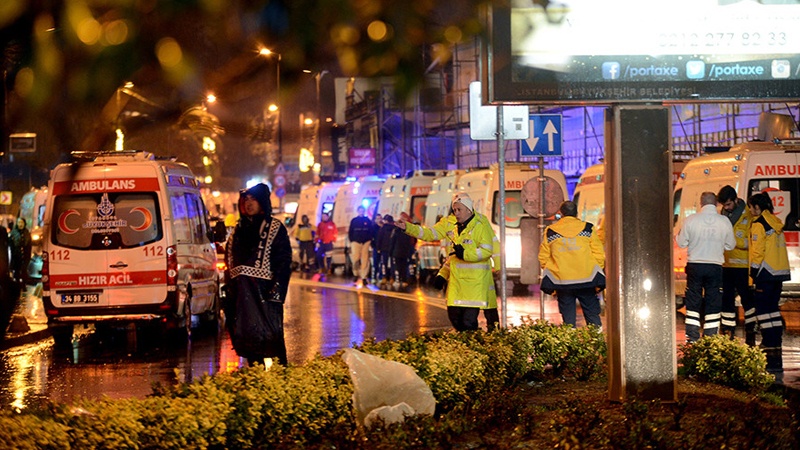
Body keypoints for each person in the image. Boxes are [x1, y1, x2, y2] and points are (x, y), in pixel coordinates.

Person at [395, 193, 497, 331]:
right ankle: (468, 343)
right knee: (454, 317)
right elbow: (430, 234)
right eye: (454, 210)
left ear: (469, 209)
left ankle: (472, 345)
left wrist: (466, 254)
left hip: (474, 284)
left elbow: (487, 250)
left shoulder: (480, 225)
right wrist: (408, 228)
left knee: (469, 322)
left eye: (459, 210)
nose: (456, 213)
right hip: (456, 284)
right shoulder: (450, 224)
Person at [224, 183, 292, 366]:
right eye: (246, 200)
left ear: (262, 202)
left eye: (253, 199)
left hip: (265, 295)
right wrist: (229, 292)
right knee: (249, 343)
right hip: (242, 297)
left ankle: (283, 383)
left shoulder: (275, 227)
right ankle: (257, 381)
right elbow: (228, 263)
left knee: (272, 341)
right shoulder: (237, 231)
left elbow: (283, 261)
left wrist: (276, 291)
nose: (249, 204)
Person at [675, 192, 735, 343]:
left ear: (701, 203)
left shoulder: (691, 220)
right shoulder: (724, 221)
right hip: (715, 266)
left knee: (694, 298)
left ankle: (693, 335)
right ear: (716, 204)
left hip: (695, 265)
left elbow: (681, 243)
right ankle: (710, 335)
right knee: (713, 299)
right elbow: (731, 245)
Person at [539, 201, 606, 328]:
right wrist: (594, 270)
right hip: (587, 280)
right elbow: (599, 253)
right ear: (576, 213)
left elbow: (543, 257)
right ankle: (596, 343)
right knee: (592, 316)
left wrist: (555, 271)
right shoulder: (588, 228)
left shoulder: (551, 231)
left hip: (563, 283)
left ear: (561, 214)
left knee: (568, 320)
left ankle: (570, 344)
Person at [748, 192, 790, 379]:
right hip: (779, 271)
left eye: (751, 207)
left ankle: (767, 340)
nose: (750, 210)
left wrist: (753, 271)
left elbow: (758, 251)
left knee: (764, 310)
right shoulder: (775, 221)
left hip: (765, 272)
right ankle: (775, 340)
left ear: (757, 207)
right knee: (773, 308)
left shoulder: (759, 224)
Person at [717, 185, 756, 344]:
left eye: (728, 204)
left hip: (742, 267)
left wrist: (733, 242)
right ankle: (727, 329)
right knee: (726, 300)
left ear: (735, 200)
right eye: (724, 205)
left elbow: (751, 241)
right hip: (726, 265)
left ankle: (750, 327)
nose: (726, 208)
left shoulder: (748, 215)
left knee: (747, 299)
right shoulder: (723, 215)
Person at [348, 205, 374, 286]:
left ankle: (364, 277)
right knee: (355, 259)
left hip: (365, 242)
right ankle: (355, 274)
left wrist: (369, 240)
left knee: (365, 260)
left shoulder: (367, 221)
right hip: (356, 242)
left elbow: (371, 231)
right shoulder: (354, 221)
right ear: (358, 211)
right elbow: (350, 231)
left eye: (363, 210)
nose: (361, 212)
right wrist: (352, 240)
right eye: (360, 210)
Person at [390, 221, 417, 289]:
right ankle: (404, 280)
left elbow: (392, 243)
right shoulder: (407, 233)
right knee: (403, 267)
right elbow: (409, 244)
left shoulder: (396, 232)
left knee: (397, 267)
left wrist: (391, 252)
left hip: (396, 252)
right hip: (404, 253)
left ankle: (397, 280)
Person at [9, 218, 31, 285]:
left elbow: (29, 244)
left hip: (25, 254)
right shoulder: (13, 232)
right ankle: (17, 283)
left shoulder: (27, 232)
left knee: (24, 269)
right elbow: (10, 244)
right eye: (19, 222)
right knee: (17, 270)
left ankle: (24, 284)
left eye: (22, 223)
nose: (20, 224)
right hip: (16, 254)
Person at [375, 215, 396, 287]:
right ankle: (392, 278)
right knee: (393, 264)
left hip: (384, 249)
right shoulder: (395, 229)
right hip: (393, 249)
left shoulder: (383, 228)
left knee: (384, 264)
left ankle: (384, 277)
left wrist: (378, 248)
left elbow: (379, 239)